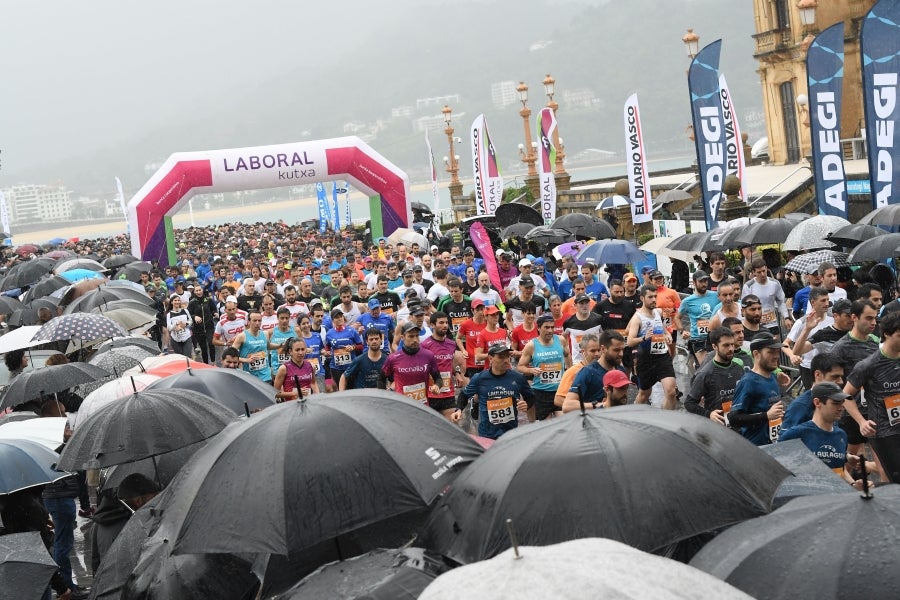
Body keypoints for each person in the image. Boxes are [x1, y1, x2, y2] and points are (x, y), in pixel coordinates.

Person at [843, 311, 900, 483]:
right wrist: (861, 422)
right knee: (894, 478)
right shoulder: (869, 365)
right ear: (887, 334)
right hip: (883, 431)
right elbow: (845, 395)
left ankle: (866, 466)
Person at [780, 382, 863, 487]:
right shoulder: (797, 434)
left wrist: (854, 485)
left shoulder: (841, 435)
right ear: (817, 402)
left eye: (842, 403)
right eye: (835, 403)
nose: (841, 408)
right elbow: (777, 465)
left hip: (835, 498)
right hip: (808, 498)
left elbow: (840, 470)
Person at [831, 299, 880, 459]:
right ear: (854, 318)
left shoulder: (875, 342)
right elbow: (832, 383)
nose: (873, 322)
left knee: (881, 460)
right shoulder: (840, 348)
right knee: (849, 461)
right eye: (868, 318)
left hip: (875, 411)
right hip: (851, 413)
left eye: (875, 318)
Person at [455, 342, 535, 440]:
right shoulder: (479, 378)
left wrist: (527, 404)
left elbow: (531, 397)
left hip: (510, 432)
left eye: (507, 356)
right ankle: (475, 403)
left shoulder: (518, 378)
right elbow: (464, 395)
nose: (506, 360)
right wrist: (458, 410)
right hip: (487, 433)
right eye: (501, 357)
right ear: (490, 358)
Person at [90, 474, 161, 574]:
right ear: (138, 501)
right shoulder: (133, 528)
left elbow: (95, 563)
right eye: (154, 496)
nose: (158, 499)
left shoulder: (98, 524)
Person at [729, 332, 786, 446]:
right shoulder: (748, 382)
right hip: (756, 448)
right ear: (756, 354)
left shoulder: (772, 376)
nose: (776, 356)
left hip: (774, 444)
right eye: (770, 352)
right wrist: (766, 416)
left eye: (777, 352)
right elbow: (734, 418)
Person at [625, 284, 677, 409]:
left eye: (655, 296)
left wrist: (667, 334)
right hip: (646, 360)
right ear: (642, 298)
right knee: (644, 393)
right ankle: (634, 417)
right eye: (650, 297)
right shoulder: (638, 318)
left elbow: (662, 328)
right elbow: (630, 341)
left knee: (671, 392)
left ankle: (667, 422)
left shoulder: (659, 312)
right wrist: (643, 338)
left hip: (662, 357)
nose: (654, 299)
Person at [685, 326, 745, 425]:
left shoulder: (738, 367)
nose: (730, 349)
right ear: (714, 347)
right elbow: (689, 403)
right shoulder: (705, 373)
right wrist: (709, 414)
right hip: (718, 427)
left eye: (732, 345)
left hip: (739, 424)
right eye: (726, 345)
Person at [518, 313, 570, 420]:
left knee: (563, 424)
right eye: (546, 327)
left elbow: (567, 354)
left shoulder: (560, 340)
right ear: (539, 328)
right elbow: (520, 366)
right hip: (541, 393)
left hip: (559, 391)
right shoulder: (531, 345)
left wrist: (569, 371)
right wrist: (531, 370)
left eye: (552, 327)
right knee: (547, 429)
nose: (550, 330)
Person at [562, 330, 627, 412]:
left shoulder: (621, 370)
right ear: (603, 349)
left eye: (622, 350)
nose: (621, 354)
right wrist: (599, 405)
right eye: (616, 350)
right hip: (594, 422)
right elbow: (567, 406)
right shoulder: (587, 372)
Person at [781, 352, 845, 431]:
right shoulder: (800, 406)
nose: (841, 381)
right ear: (817, 375)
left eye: (841, 377)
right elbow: (785, 441)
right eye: (835, 377)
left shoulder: (836, 400)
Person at [381, 321, 443, 403]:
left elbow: (438, 378)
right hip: (402, 407)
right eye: (411, 336)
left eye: (417, 336)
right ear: (402, 337)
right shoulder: (393, 358)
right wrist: (384, 398)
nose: (415, 340)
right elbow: (381, 379)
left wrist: (437, 386)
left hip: (423, 406)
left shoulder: (428, 355)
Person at [421, 311, 464, 420]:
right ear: (432, 325)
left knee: (452, 425)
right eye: (441, 323)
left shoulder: (451, 344)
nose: (445, 325)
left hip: (447, 392)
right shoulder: (425, 345)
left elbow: (450, 361)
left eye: (446, 322)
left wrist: (457, 373)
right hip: (430, 394)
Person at [675, 270, 718, 365]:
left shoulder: (716, 296)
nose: (704, 284)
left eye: (706, 281)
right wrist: (682, 330)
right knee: (706, 367)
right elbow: (677, 317)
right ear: (694, 282)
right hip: (698, 338)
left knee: (715, 367)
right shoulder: (687, 301)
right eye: (701, 281)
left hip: (714, 336)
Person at [742, 258, 791, 335]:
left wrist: (786, 317)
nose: (762, 274)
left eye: (764, 271)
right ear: (753, 272)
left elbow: (781, 302)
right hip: (756, 324)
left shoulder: (775, 283)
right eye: (759, 272)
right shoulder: (748, 286)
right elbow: (745, 307)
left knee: (775, 346)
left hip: (772, 323)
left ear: (766, 269)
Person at [554, 333, 601, 411]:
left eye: (599, 350)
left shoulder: (604, 368)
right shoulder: (572, 372)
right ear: (583, 352)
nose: (597, 354)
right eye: (593, 351)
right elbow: (558, 400)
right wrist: (585, 407)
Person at [324, 308, 364, 392]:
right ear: (333, 320)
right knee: (341, 389)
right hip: (336, 366)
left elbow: (361, 346)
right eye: (337, 317)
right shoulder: (329, 333)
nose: (339, 318)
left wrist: (353, 347)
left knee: (352, 389)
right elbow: (327, 346)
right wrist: (326, 352)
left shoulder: (351, 330)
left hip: (350, 365)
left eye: (341, 316)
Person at [562, 293, 604, 366]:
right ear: (575, 305)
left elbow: (604, 338)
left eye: (586, 303)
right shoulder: (568, 322)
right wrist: (568, 363)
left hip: (597, 360)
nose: (584, 306)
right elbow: (563, 339)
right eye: (581, 303)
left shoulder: (598, 319)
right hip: (577, 362)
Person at [231, 311, 272, 383]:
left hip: (265, 375)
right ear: (249, 322)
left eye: (259, 321)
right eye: (254, 320)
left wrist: (281, 345)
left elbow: (269, 346)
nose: (257, 323)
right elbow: (231, 355)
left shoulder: (265, 334)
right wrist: (246, 360)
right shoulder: (242, 336)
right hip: (249, 376)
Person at [267, 307, 302, 381]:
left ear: (289, 318)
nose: (284, 321)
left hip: (294, 368)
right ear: (277, 318)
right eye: (282, 318)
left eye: (286, 318)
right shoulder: (270, 332)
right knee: (279, 392)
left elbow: (302, 348)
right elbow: (266, 350)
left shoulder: (296, 330)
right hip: (277, 370)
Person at [212, 298, 248, 366]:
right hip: (231, 352)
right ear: (225, 310)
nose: (232, 312)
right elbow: (214, 341)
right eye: (229, 310)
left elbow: (248, 331)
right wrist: (226, 343)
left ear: (236, 309)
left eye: (233, 309)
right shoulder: (221, 323)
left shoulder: (242, 318)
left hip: (244, 349)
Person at [188, 284, 218, 364]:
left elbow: (214, 309)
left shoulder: (208, 300)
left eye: (199, 290)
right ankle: (205, 364)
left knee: (211, 344)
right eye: (196, 291)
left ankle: (213, 362)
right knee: (203, 347)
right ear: (194, 292)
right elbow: (188, 315)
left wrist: (215, 313)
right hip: (198, 328)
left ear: (202, 290)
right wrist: (194, 317)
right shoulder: (192, 302)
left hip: (209, 326)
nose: (198, 292)